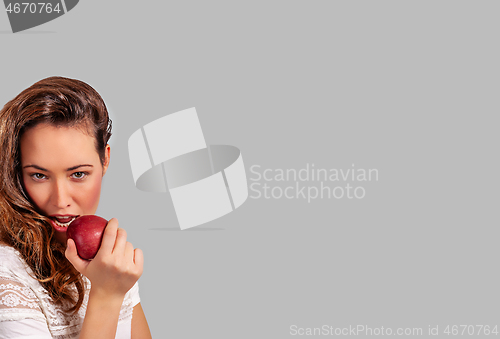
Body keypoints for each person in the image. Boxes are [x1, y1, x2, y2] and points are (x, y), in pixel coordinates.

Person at [0, 76, 152, 338]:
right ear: (17, 173)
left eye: (78, 174)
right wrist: (105, 295)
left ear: (105, 159)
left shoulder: (110, 262)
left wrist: (113, 286)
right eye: (39, 175)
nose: (60, 200)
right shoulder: (7, 273)